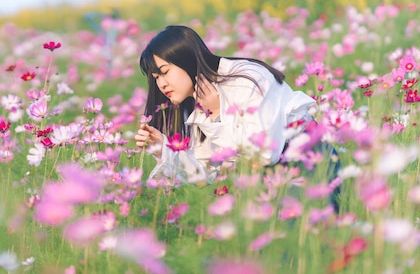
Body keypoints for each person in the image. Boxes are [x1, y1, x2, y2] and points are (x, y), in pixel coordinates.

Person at [134, 25, 339, 196]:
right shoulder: (194, 107)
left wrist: (217, 114)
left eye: (164, 72)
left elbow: (266, 153)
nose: (161, 84)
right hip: (269, 179)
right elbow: (205, 175)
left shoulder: (245, 78)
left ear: (186, 59)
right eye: (156, 77)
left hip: (311, 159)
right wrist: (165, 149)